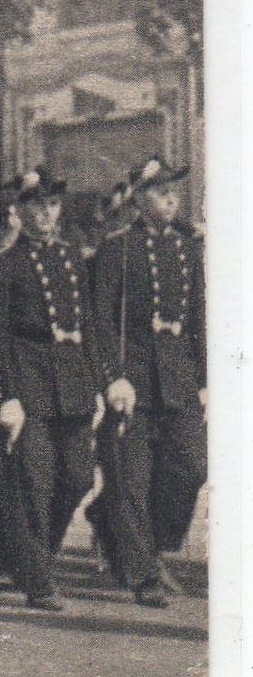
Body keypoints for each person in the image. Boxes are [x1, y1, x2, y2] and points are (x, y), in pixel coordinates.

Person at [0, 168, 101, 611]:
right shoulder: (1, 266)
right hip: (28, 383)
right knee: (33, 481)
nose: (47, 214)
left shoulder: (72, 258)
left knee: (77, 477)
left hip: (72, 384)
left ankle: (36, 555)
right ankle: (36, 576)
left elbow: (87, 324)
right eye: (37, 205)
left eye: (53, 205)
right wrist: (3, 393)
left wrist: (99, 383)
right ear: (19, 211)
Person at [90, 157, 206, 608]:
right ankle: (143, 574)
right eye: (160, 191)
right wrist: (112, 378)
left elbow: (198, 316)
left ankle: (122, 527)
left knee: (192, 467)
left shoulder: (186, 248)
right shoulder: (118, 249)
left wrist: (205, 378)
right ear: (139, 199)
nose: (172, 197)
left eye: (174, 189)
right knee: (132, 481)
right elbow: (101, 320)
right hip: (133, 381)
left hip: (178, 379)